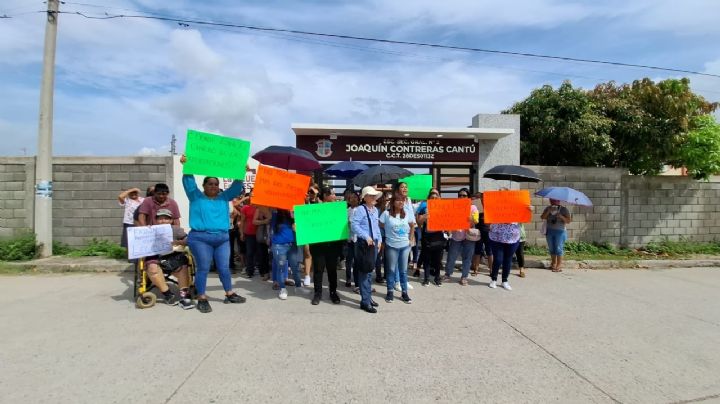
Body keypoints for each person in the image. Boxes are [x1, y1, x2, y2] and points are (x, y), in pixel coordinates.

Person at [180, 155, 246, 313]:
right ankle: (201, 297)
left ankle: (229, 293)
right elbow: (189, 182)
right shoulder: (195, 196)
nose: (213, 186)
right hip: (200, 239)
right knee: (203, 268)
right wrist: (187, 166)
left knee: (224, 268)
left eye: (216, 184)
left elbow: (236, 187)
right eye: (210, 183)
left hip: (222, 239)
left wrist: (240, 171)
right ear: (203, 185)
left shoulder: (224, 197)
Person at [142, 209, 194, 310]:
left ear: (171, 220)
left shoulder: (176, 229)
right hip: (154, 256)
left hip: (172, 255)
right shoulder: (149, 230)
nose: (163, 221)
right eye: (160, 219)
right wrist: (145, 232)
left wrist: (178, 242)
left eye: (166, 218)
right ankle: (168, 294)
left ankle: (184, 296)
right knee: (152, 267)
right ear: (156, 220)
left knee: (183, 266)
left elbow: (187, 240)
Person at [351, 186, 382, 313]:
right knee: (364, 272)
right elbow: (354, 225)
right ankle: (365, 301)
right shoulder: (360, 209)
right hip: (364, 244)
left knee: (370, 271)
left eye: (375, 195)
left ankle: (368, 297)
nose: (374, 197)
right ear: (365, 197)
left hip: (373, 243)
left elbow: (376, 227)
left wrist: (379, 240)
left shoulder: (375, 210)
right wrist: (366, 236)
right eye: (371, 195)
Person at [310, 188, 343, 305]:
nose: (334, 196)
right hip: (318, 246)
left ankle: (333, 292)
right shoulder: (315, 208)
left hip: (333, 246)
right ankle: (317, 293)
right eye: (332, 194)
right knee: (318, 270)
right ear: (325, 195)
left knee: (332, 270)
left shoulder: (338, 208)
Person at [379, 193, 414, 304]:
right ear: (393, 202)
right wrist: (386, 235)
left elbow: (412, 225)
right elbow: (380, 225)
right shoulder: (386, 214)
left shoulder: (407, 213)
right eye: (398, 200)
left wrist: (411, 239)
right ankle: (390, 291)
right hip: (391, 246)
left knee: (403, 271)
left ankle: (404, 293)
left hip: (405, 246)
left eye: (402, 200)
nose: (401, 202)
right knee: (391, 270)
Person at [443, 188, 479, 286]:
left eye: (464, 195)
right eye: (460, 195)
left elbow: (476, 221)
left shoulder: (473, 208)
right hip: (456, 236)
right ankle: (447, 274)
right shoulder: (454, 207)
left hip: (468, 237)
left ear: (469, 197)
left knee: (467, 258)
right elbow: (449, 219)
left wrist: (470, 218)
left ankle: (464, 277)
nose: (462, 197)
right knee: (451, 257)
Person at [416, 188, 445, 287]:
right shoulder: (424, 205)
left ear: (439, 197)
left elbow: (448, 220)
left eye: (436, 195)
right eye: (432, 195)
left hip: (439, 235)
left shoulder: (444, 206)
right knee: (427, 258)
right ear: (429, 197)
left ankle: (437, 278)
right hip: (427, 235)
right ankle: (426, 278)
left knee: (438, 259)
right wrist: (423, 217)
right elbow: (418, 221)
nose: (434, 197)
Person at [270, 209, 300, 300]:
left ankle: (298, 287)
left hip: (292, 245)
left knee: (295, 267)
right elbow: (272, 230)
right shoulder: (275, 215)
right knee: (281, 268)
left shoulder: (294, 214)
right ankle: (282, 289)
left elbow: (301, 229)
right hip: (279, 246)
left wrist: (295, 224)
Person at [541, 198, 572, 272]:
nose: (553, 202)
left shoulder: (564, 209)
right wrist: (548, 211)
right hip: (549, 231)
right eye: (551, 200)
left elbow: (568, 221)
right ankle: (553, 264)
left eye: (555, 200)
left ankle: (559, 265)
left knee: (558, 248)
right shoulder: (548, 208)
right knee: (551, 248)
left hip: (560, 231)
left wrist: (561, 216)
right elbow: (542, 217)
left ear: (559, 201)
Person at [471, 192, 493, 276]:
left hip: (487, 231)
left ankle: (491, 270)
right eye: (475, 198)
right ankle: (475, 269)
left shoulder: (488, 206)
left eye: (478, 197)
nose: (476, 199)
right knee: (477, 251)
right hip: (478, 231)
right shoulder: (474, 207)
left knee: (489, 251)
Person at [240, 194, 259, 278]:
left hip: (259, 233)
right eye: (251, 196)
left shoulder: (260, 207)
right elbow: (242, 221)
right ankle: (250, 271)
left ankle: (259, 269)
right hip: (249, 233)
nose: (252, 197)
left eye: (254, 196)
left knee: (259, 252)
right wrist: (241, 233)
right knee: (250, 252)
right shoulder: (245, 208)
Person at [252, 205, 272, 281]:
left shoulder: (275, 209)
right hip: (263, 235)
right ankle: (265, 273)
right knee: (263, 255)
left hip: (273, 234)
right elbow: (254, 221)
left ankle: (275, 274)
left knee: (274, 256)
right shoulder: (259, 209)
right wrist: (264, 221)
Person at [345, 191, 360, 288]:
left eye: (355, 197)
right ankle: (348, 279)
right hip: (349, 239)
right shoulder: (347, 210)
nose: (353, 199)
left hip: (358, 239)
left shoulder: (361, 210)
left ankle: (357, 280)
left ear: (358, 199)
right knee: (348, 260)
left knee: (357, 261)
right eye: (351, 198)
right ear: (348, 200)